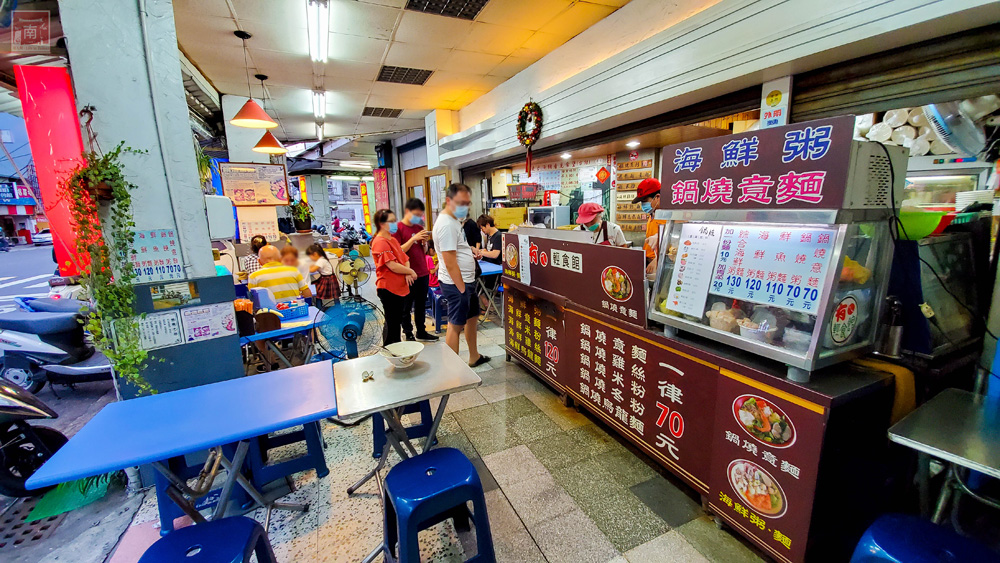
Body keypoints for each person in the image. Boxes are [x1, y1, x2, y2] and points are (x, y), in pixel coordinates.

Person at [433, 183, 490, 367]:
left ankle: (474, 356)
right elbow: (450, 262)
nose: (465, 207)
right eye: (461, 202)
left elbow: (456, 249)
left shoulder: (454, 221)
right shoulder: (447, 225)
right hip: (457, 284)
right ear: (449, 201)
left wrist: (471, 250)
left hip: (467, 281)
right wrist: (462, 289)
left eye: (467, 203)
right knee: (455, 324)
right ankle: (452, 370)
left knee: (472, 317)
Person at [393, 198, 438, 342]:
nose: (418, 218)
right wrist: (413, 239)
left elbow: (422, 251)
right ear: (407, 212)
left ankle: (421, 331)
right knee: (406, 306)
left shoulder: (419, 228)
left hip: (423, 272)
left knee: (420, 305)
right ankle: (408, 333)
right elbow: (397, 251)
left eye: (420, 215)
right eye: (416, 214)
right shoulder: (398, 228)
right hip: (407, 274)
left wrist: (424, 244)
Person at [372, 209, 416, 346]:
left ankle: (396, 350)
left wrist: (407, 271)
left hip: (399, 287)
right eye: (390, 221)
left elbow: (404, 258)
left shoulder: (392, 240)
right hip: (388, 288)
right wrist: (410, 271)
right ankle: (391, 351)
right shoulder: (380, 242)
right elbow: (392, 265)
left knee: (396, 321)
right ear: (381, 223)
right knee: (392, 324)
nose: (394, 224)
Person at [248, 245, 312, 300]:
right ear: (281, 258)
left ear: (259, 261)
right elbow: (307, 293)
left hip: (270, 313)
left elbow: (252, 300)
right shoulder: (294, 271)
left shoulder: (254, 276)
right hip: (294, 310)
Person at [632, 178, 666, 274]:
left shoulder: (670, 215)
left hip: (660, 262)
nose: (643, 205)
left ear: (657, 197)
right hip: (648, 259)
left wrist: (657, 260)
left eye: (645, 201)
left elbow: (674, 242)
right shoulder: (652, 214)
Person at [306, 243, 339, 308]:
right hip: (328, 278)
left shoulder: (321, 260)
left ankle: (319, 308)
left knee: (318, 294)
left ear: (315, 254)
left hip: (327, 279)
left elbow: (312, 270)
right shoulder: (322, 258)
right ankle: (338, 307)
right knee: (335, 295)